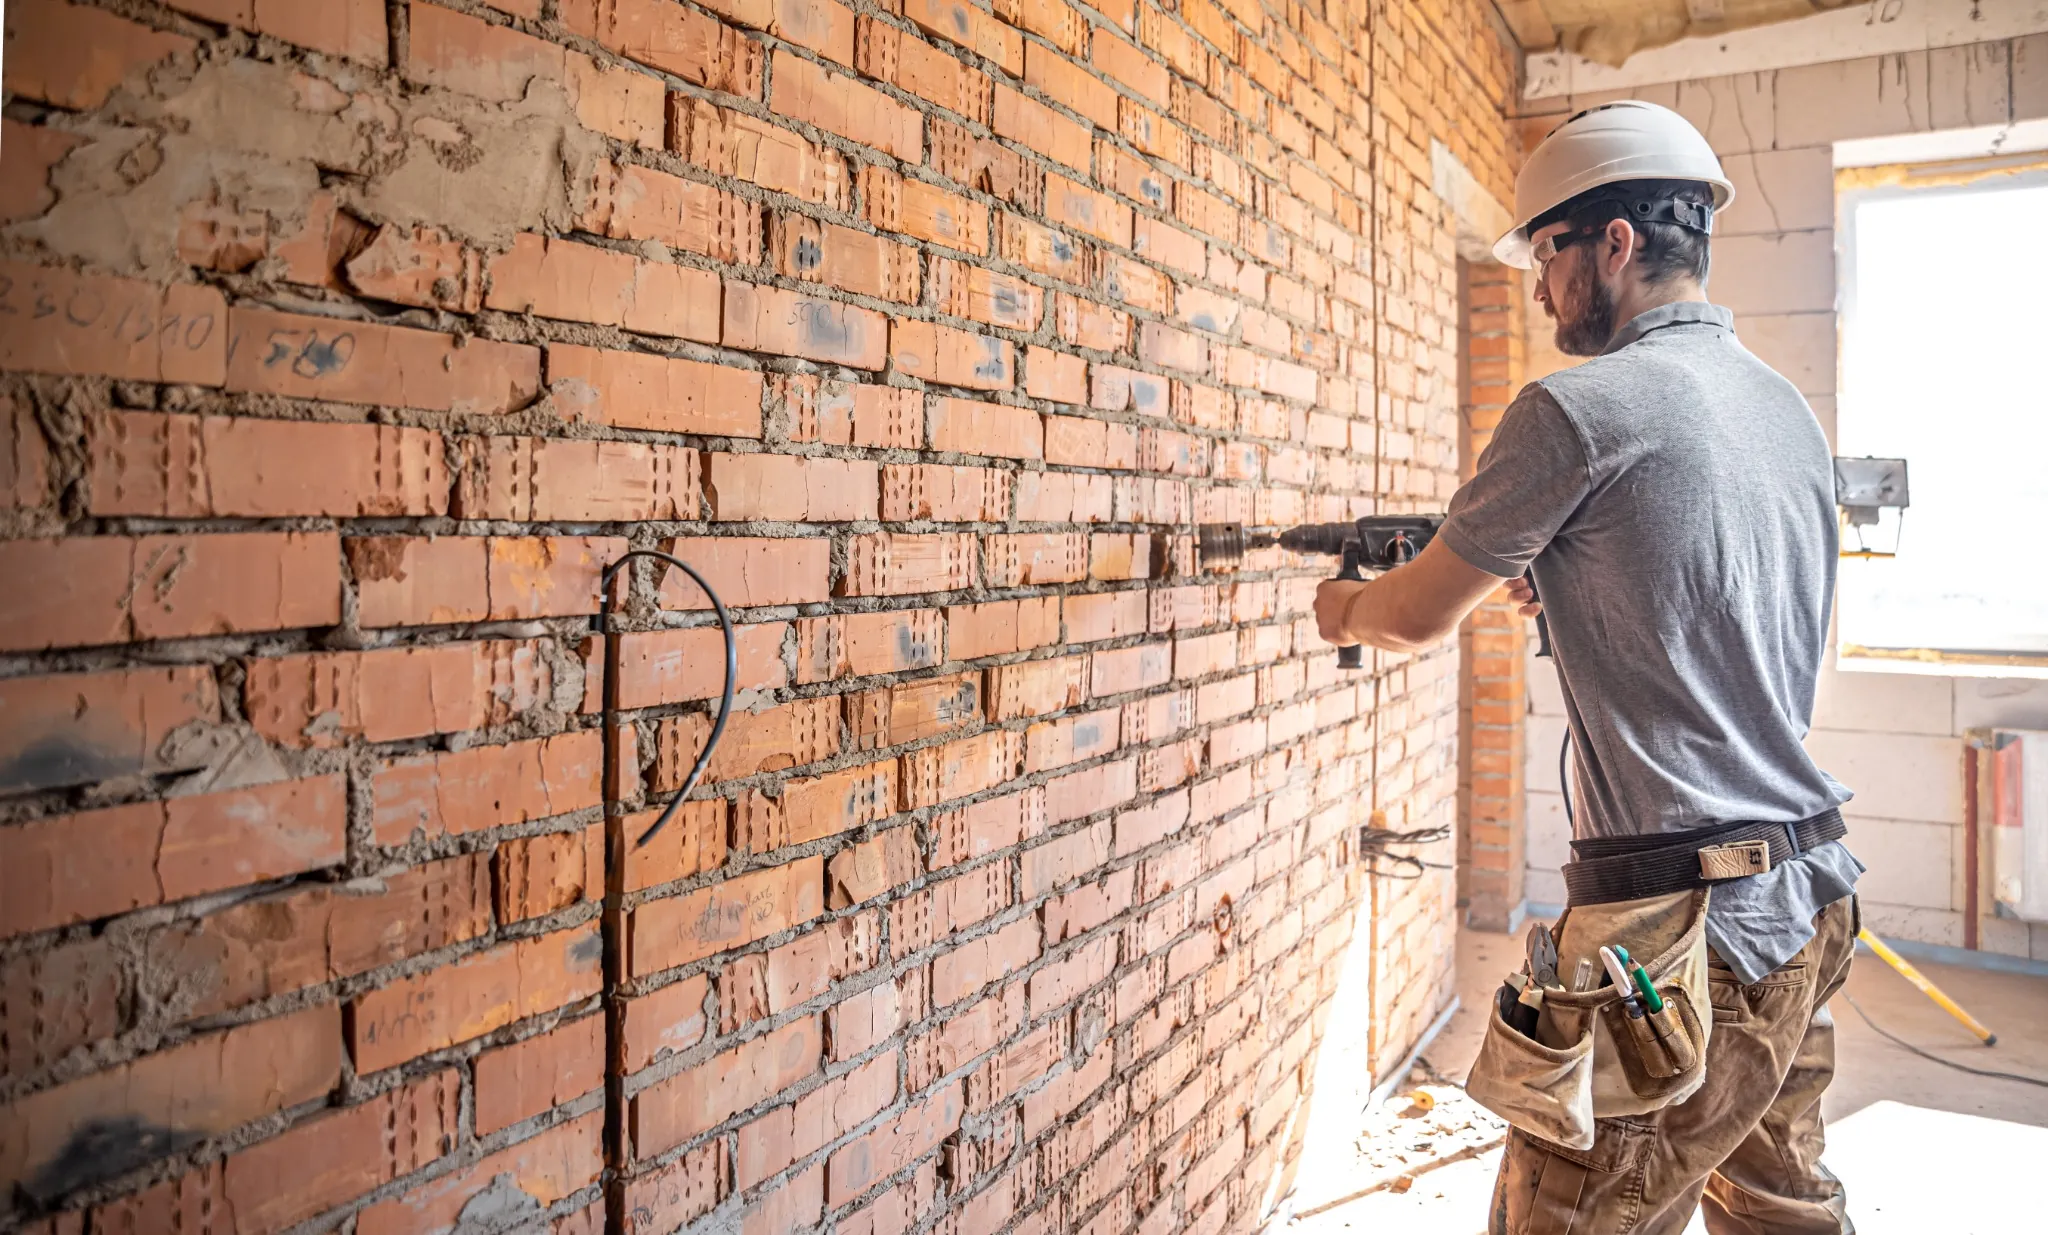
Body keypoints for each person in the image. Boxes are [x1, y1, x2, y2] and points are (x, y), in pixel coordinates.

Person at [1312, 100, 1860, 1234]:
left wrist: (1343, 605)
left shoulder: (1573, 408)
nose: (1535, 290)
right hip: (1805, 901)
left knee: (1566, 1217)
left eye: (1545, 254)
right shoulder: (1779, 409)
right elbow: (1712, 612)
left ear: (1611, 241)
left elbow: (1413, 619)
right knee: (1779, 1208)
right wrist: (1571, 589)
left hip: (1682, 938)